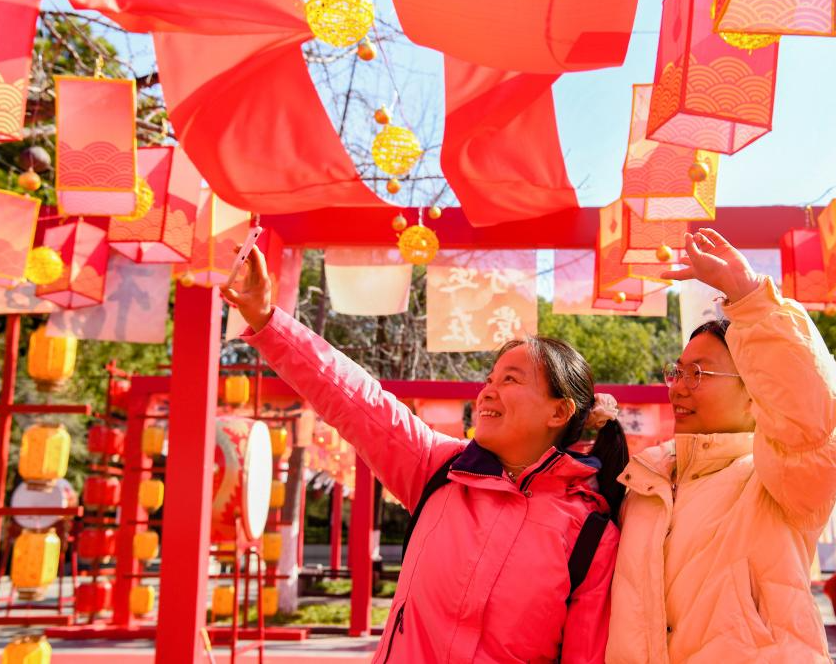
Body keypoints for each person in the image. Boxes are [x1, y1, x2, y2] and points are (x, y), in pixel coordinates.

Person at [222, 244, 628, 663]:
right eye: (489, 379)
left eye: (511, 379)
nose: (488, 391)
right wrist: (268, 320)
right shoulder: (439, 469)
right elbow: (353, 397)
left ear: (558, 412)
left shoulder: (591, 535)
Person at [607, 229, 836, 663]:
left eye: (698, 374)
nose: (678, 388)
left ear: (756, 391)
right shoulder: (644, 485)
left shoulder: (780, 478)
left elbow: (810, 414)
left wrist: (752, 301)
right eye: (676, 372)